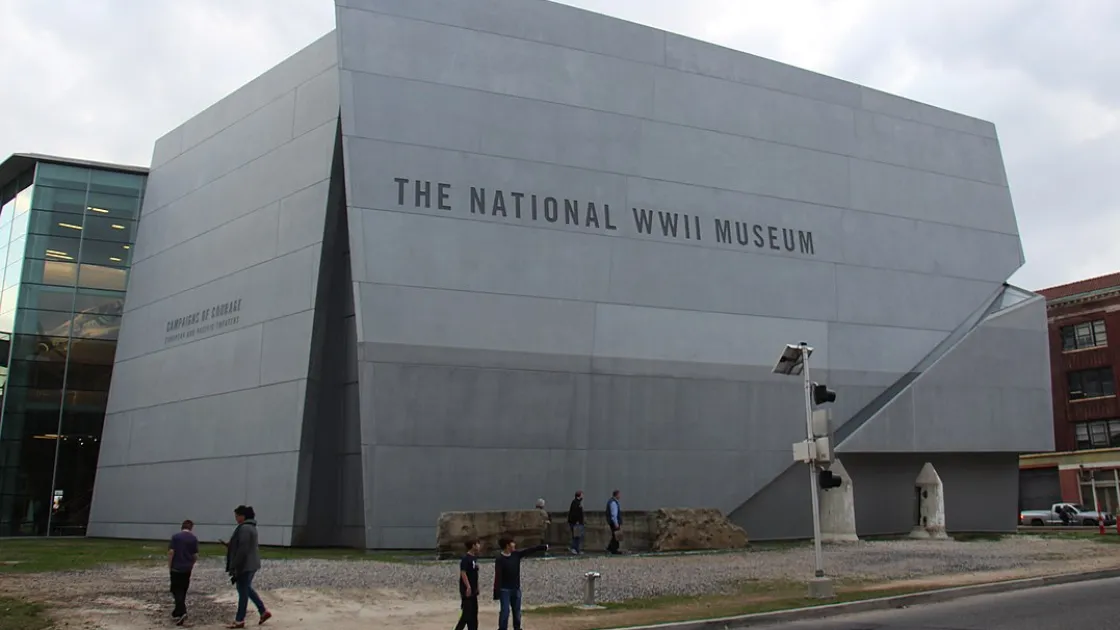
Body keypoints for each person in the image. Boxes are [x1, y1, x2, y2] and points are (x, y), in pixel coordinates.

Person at [221, 505, 272, 628]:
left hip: (245, 564)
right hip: (251, 563)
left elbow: (243, 549)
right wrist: (231, 545)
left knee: (243, 592)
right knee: (246, 588)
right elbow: (244, 546)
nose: (236, 518)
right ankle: (263, 611)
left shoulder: (244, 528)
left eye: (237, 516)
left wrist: (235, 565)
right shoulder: (251, 527)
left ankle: (240, 620)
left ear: (243, 516)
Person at [493, 537, 547, 630]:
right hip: (504, 589)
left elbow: (529, 550)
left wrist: (542, 547)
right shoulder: (500, 559)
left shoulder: (516, 555)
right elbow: (498, 576)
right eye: (512, 543)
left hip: (516, 589)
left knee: (517, 612)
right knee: (505, 612)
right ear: (507, 545)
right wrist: (496, 591)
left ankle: (517, 628)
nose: (515, 545)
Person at [167, 519, 199, 626]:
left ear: (182, 527)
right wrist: (191, 564)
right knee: (183, 589)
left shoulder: (176, 537)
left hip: (176, 568)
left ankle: (182, 612)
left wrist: (170, 566)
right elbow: (195, 556)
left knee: (176, 590)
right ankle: (177, 611)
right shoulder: (193, 539)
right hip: (187, 568)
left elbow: (171, 552)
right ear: (191, 528)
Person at [454, 538, 481, 630]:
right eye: (477, 544)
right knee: (466, 614)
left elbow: (474, 574)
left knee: (474, 613)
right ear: (473, 545)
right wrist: (468, 586)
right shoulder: (466, 559)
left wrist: (476, 587)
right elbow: (463, 573)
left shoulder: (474, 558)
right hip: (467, 590)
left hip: (473, 590)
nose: (479, 546)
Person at [606, 490, 622, 555]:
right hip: (614, 522)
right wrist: (616, 523)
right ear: (616, 495)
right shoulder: (613, 503)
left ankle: (610, 548)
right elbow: (614, 514)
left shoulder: (612, 501)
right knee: (616, 536)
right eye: (619, 494)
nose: (620, 496)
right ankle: (613, 549)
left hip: (613, 522)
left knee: (614, 536)